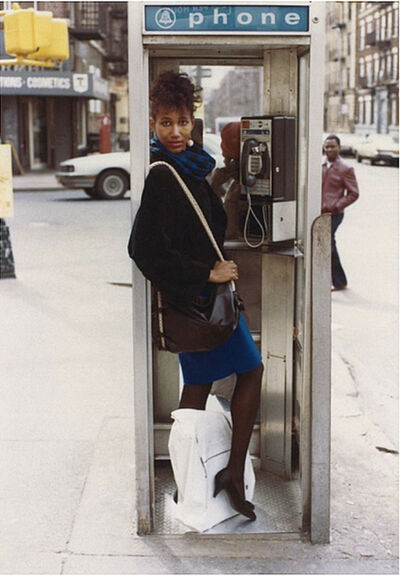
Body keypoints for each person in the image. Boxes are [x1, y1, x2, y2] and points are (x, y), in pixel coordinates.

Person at [128, 71, 263, 521]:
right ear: (152, 124)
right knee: (248, 372)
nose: (176, 132)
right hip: (199, 300)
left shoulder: (196, 166)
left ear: (193, 120)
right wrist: (208, 273)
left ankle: (202, 479)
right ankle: (223, 472)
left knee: (207, 385)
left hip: (207, 302)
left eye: (183, 121)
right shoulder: (164, 175)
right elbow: (144, 249)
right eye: (165, 123)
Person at [322, 134, 359, 291]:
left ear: (339, 148)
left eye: (333, 146)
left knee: (329, 244)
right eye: (327, 146)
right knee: (324, 244)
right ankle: (331, 279)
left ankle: (339, 281)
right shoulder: (320, 165)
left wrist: (337, 205)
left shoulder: (345, 169)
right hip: (319, 213)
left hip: (335, 214)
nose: (329, 149)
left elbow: (354, 193)